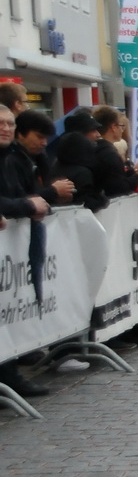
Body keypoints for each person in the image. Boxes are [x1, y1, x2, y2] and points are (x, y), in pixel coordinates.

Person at [0, 106, 53, 398]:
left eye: (9, 123)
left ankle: (9, 374)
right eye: (1, 123)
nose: (6, 128)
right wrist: (28, 206)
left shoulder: (14, 158)